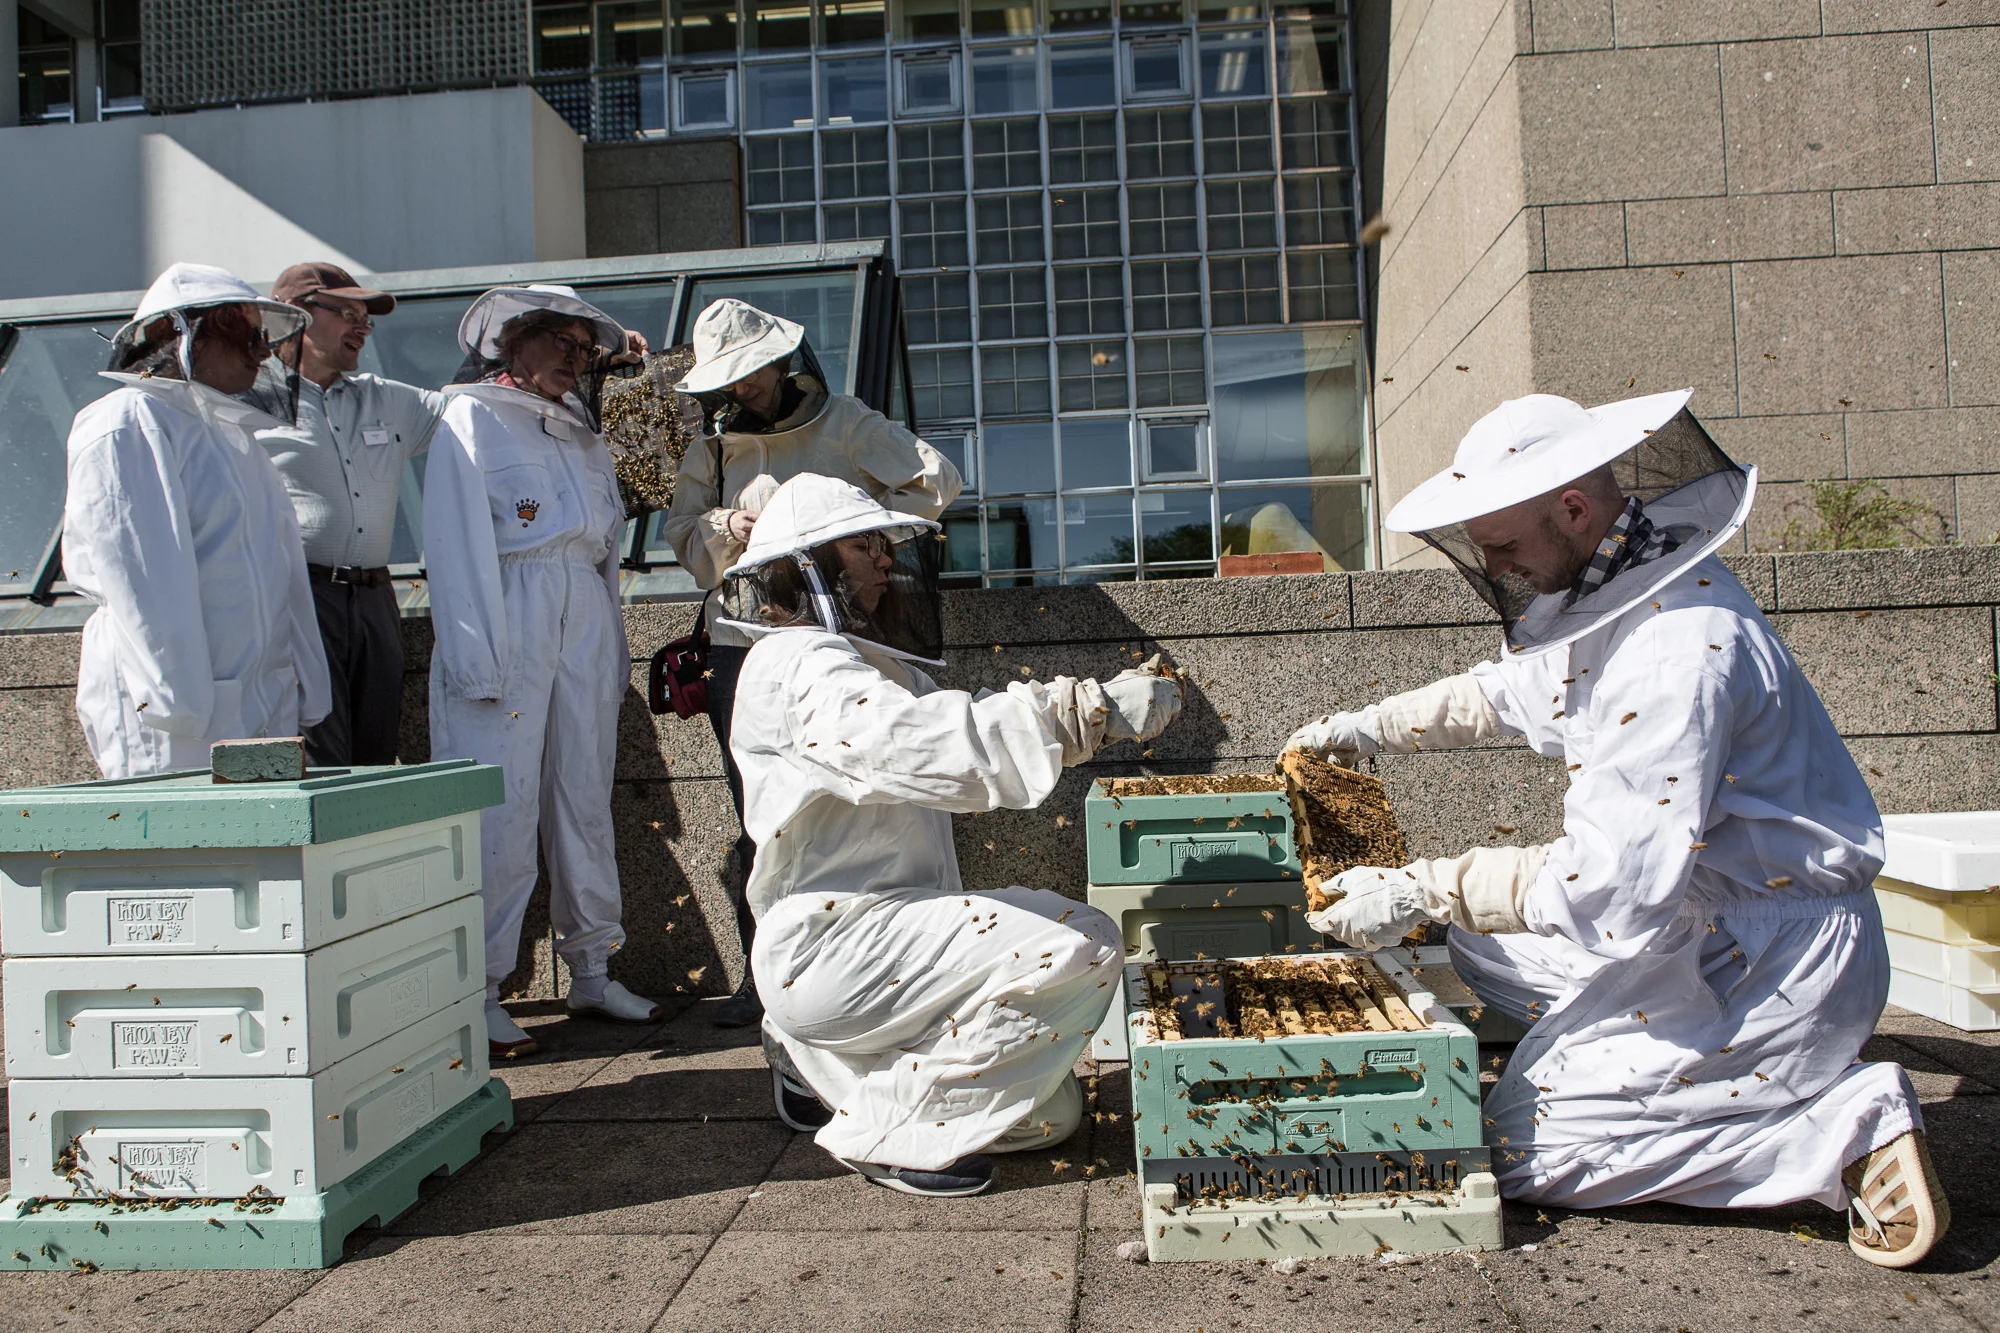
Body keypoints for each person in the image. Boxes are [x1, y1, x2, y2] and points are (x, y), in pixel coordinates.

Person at [1287, 389, 1945, 1269]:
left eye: (1507, 548)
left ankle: (1836, 1131)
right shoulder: (1620, 586)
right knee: (1485, 954)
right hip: (1708, 915)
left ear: (1573, 507)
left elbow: (1608, 887)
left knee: (1522, 1145)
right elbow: (1507, 694)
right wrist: (1366, 724)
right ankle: (1667, 1076)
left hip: (1773, 960)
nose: (1501, 571)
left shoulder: (1674, 654)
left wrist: (1425, 887)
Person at [720, 472, 1182, 1197]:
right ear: (810, 565)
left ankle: (810, 1057)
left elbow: (954, 744)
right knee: (1081, 943)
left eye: (881, 543)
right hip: (835, 945)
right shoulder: (796, 664)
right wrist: (1085, 712)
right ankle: (880, 1135)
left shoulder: (867, 666)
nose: (883, 559)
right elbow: (923, 743)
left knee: (1048, 1114)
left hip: (879, 946)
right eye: (864, 543)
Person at [661, 298, 962, 1029]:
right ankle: (763, 975)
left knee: (870, 801)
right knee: (762, 814)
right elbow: (679, 532)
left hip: (839, 645)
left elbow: (935, 480)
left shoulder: (846, 421)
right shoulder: (713, 450)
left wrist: (853, 530)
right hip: (744, 647)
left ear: (778, 359)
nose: (742, 391)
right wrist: (724, 524)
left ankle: (880, 957)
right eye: (728, 381)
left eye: (750, 373)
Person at [423, 284, 660, 1058]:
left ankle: (592, 964)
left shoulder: (584, 430)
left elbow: (605, 551)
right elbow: (455, 545)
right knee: (503, 804)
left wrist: (612, 647)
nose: (574, 356)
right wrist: (473, 657)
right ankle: (479, 984)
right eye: (560, 340)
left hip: (579, 613)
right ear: (513, 340)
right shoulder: (472, 417)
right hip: (508, 610)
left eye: (583, 346)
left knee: (582, 792)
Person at [63, 262, 331, 779]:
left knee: (254, 857)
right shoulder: (129, 419)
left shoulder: (234, 436)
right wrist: (181, 706)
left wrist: (301, 688)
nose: (261, 352)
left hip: (253, 703)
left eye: (262, 338)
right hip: (172, 718)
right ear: (179, 334)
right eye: (245, 335)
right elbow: (141, 574)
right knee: (180, 854)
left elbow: (282, 570)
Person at [252, 262, 445, 767]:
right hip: (300, 596)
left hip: (376, 600)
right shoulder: (246, 401)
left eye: (366, 318)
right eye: (346, 313)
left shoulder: (386, 398)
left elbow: (476, 412)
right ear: (293, 316)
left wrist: (590, 356)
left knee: (375, 756)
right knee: (320, 756)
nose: (361, 327)